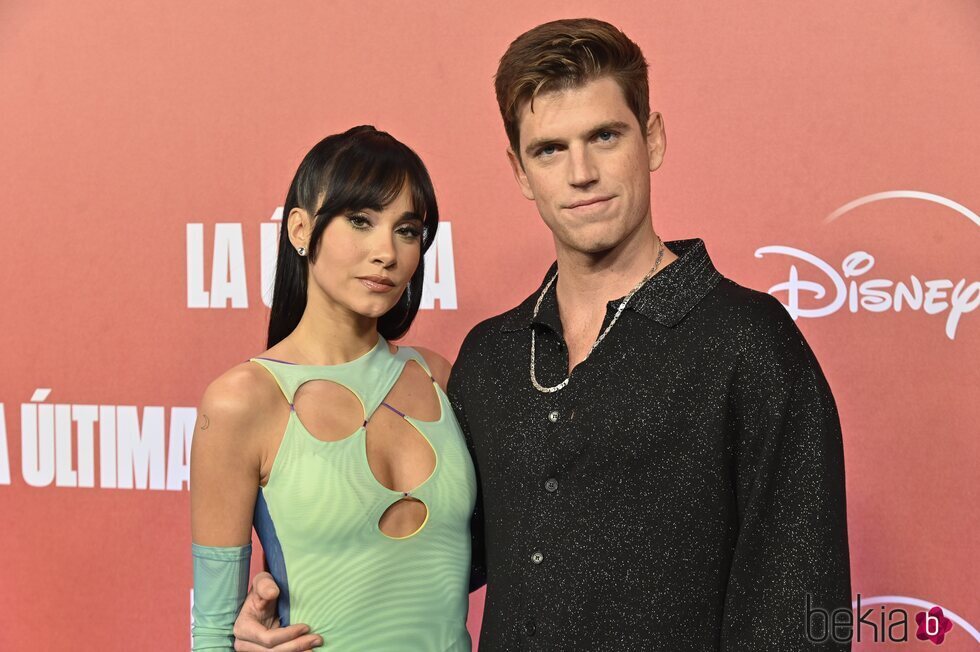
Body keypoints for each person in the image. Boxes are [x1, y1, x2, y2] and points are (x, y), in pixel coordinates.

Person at [234, 18, 852, 651]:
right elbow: (428, 549)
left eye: (605, 136)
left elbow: (801, 608)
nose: (581, 172)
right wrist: (283, 597)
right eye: (549, 149)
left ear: (654, 140)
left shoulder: (748, 342)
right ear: (521, 172)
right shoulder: (493, 356)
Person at [190, 126, 477, 651]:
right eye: (361, 221)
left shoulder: (441, 377)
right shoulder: (242, 400)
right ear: (300, 228)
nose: (386, 252)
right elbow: (212, 633)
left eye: (407, 230)